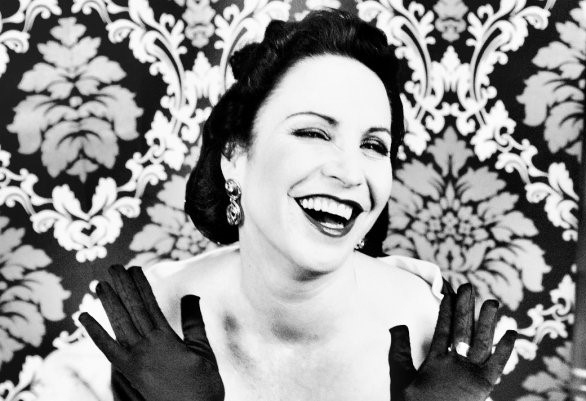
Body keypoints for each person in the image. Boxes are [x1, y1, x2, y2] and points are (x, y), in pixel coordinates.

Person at [79, 9, 516, 401]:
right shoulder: (136, 336)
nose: (350, 173)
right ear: (235, 155)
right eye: (313, 133)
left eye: (373, 145)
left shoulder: (431, 330)